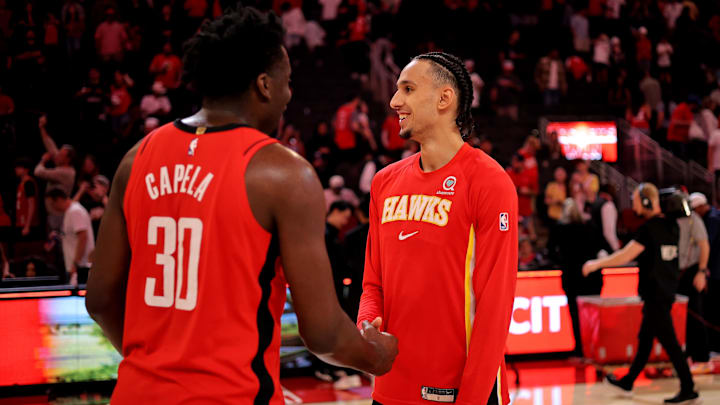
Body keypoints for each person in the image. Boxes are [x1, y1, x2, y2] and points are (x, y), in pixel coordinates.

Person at [85, 7, 397, 404]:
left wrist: (156, 365)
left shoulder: (136, 158)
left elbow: (100, 300)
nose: (289, 95)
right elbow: (323, 335)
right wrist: (377, 356)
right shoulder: (282, 173)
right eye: (287, 81)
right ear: (264, 85)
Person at [359, 51, 518, 405]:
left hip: (457, 391)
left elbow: (495, 307)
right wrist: (367, 327)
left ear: (445, 98)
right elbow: (373, 283)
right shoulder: (384, 183)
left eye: (408, 89)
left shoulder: (489, 181)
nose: (394, 100)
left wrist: (473, 398)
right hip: (389, 390)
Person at [582, 183, 698, 404]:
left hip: (655, 295)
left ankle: (689, 388)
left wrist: (596, 264)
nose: (633, 204)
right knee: (645, 340)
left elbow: (624, 256)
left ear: (646, 201)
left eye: (635, 199)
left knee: (670, 343)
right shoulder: (671, 226)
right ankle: (628, 381)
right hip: (664, 291)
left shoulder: (649, 229)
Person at [547, 198, 603, 356]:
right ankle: (593, 348)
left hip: (572, 277)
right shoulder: (589, 227)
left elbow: (551, 252)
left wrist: (562, 261)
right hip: (591, 277)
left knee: (576, 314)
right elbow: (601, 246)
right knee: (592, 316)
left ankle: (580, 349)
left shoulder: (559, 229)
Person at [675, 194, 711, 364]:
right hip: (675, 272)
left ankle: (702, 357)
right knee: (679, 317)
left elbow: (704, 245)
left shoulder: (693, 219)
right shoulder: (670, 220)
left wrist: (702, 272)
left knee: (695, 314)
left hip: (692, 271)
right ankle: (686, 354)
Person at [689, 193, 720, 354]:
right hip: (714, 271)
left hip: (715, 273)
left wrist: (703, 270)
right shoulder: (712, 217)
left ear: (701, 206)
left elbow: (706, 244)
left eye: (695, 210)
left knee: (714, 310)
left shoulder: (712, 219)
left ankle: (715, 347)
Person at [46, 188, 94, 287]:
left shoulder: (75, 211)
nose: (52, 207)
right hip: (76, 267)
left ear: (58, 200)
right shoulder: (69, 211)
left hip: (81, 267)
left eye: (52, 204)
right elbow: (73, 237)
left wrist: (75, 264)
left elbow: (83, 238)